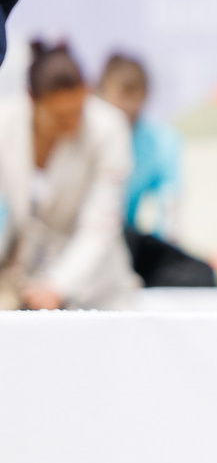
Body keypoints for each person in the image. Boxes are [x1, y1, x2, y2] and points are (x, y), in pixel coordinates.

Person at [0, 43, 140, 309]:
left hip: (95, 290)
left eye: (77, 111)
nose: (72, 123)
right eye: (59, 117)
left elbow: (101, 223)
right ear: (31, 99)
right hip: (24, 281)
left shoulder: (109, 128)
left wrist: (57, 285)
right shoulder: (4, 123)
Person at [97, 52, 217, 287]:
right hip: (78, 241)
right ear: (101, 93)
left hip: (126, 240)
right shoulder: (82, 134)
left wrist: (167, 249)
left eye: (136, 96)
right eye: (121, 96)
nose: (129, 107)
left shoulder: (161, 141)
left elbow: (170, 205)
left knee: (200, 276)